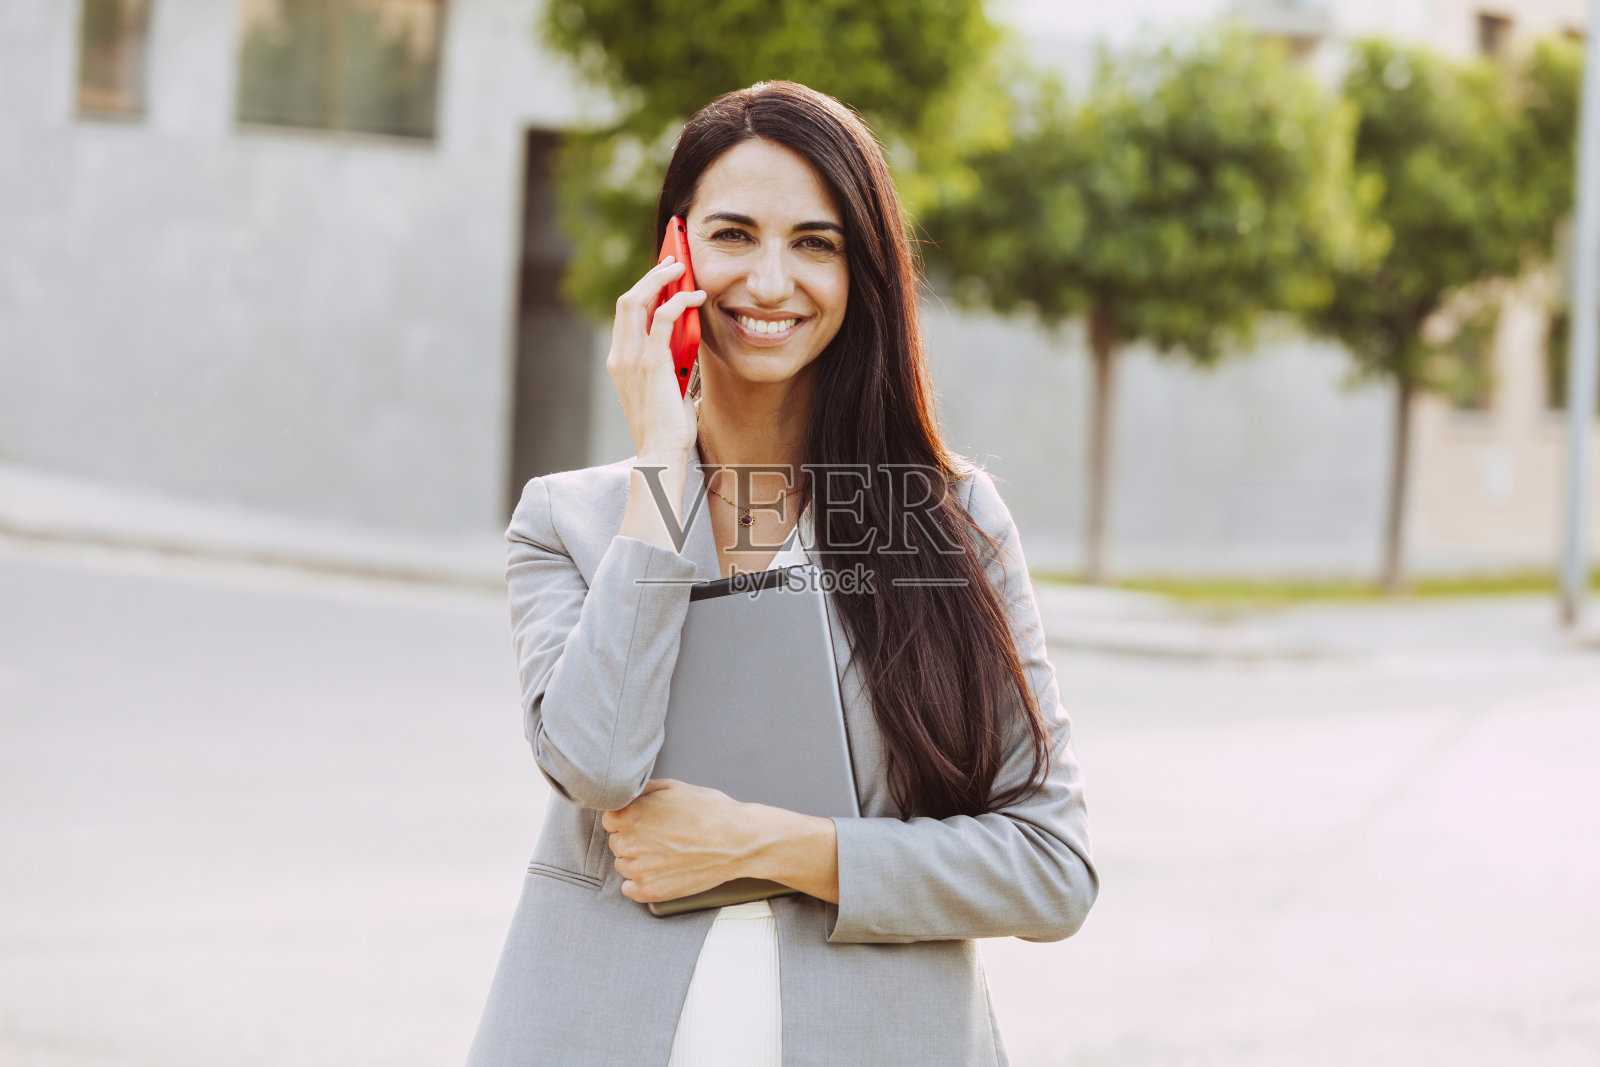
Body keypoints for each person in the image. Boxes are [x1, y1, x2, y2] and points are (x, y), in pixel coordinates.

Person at [466, 81, 1097, 1067]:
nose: (769, 280)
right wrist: (660, 472)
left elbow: (1050, 867)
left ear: (863, 275)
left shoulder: (947, 521)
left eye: (816, 242)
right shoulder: (570, 519)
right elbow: (596, 761)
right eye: (732, 235)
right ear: (673, 258)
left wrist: (763, 842)